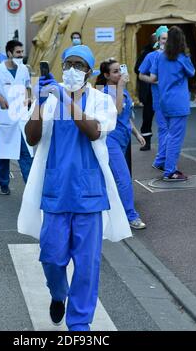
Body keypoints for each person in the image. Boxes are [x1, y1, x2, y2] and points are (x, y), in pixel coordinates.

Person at [18, 45, 131, 331]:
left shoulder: (101, 100)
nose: (71, 70)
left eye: (79, 65)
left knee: (87, 265)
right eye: (68, 63)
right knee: (51, 257)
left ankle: (79, 324)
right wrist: (42, 103)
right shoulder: (51, 99)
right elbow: (31, 138)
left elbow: (93, 130)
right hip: (56, 193)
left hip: (89, 195)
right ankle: (58, 293)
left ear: (90, 72)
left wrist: (64, 98)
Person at [96, 58, 146, 230]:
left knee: (112, 177)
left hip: (123, 139)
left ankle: (107, 210)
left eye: (120, 70)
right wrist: (121, 86)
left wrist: (137, 133)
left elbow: (126, 117)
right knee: (124, 178)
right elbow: (116, 111)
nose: (120, 74)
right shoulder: (104, 92)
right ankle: (131, 216)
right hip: (111, 140)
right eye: (115, 71)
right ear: (106, 75)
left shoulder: (121, 91)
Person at [0, 40, 33, 195]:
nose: (21, 55)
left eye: (22, 52)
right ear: (9, 53)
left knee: (25, 154)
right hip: (6, 119)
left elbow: (28, 86)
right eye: (18, 52)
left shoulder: (23, 69)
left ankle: (30, 189)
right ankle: (3, 183)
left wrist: (29, 98)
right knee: (3, 157)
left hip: (22, 119)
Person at [149, 26, 195, 181]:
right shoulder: (182, 57)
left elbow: (153, 76)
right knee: (175, 137)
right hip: (178, 102)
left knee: (169, 134)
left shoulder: (160, 57)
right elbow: (192, 72)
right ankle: (170, 171)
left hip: (164, 100)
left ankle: (162, 162)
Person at [139, 26, 168, 172]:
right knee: (164, 129)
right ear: (158, 40)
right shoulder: (151, 56)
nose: (166, 41)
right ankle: (161, 160)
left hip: (174, 100)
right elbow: (140, 74)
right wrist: (152, 80)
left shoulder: (176, 56)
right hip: (159, 99)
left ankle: (167, 159)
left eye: (168, 39)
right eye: (163, 38)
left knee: (173, 132)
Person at [134, 33, 158, 151]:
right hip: (149, 92)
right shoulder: (146, 54)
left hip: (162, 92)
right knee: (147, 118)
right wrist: (149, 74)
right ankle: (146, 142)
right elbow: (137, 69)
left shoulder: (168, 53)